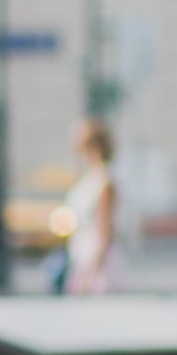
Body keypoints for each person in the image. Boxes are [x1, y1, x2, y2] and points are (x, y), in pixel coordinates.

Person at [58, 116, 119, 294]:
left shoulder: (104, 180)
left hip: (96, 262)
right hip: (81, 256)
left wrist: (90, 273)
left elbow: (105, 233)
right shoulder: (89, 177)